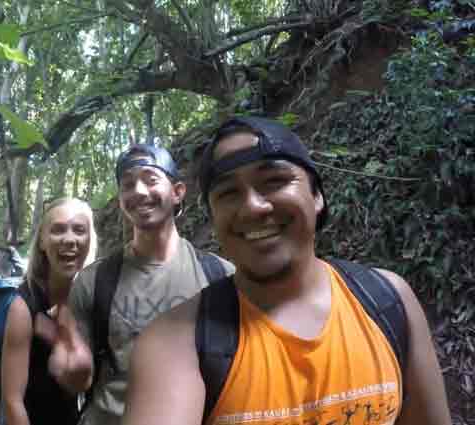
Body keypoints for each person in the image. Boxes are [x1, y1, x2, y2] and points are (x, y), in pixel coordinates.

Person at [121, 117, 452, 425]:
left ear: (317, 194)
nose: (253, 206)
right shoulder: (175, 343)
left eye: (275, 181)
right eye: (228, 193)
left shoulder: (389, 301)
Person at [43, 144, 235, 425]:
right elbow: (78, 380)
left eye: (150, 179)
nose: (139, 191)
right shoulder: (94, 282)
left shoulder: (220, 276)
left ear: (178, 191)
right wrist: (72, 371)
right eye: (128, 184)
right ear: (121, 199)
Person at [1, 198, 98, 425]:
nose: (69, 239)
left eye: (79, 230)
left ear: (90, 240)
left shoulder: (95, 295)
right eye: (58, 230)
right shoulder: (23, 307)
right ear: (42, 242)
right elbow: (12, 401)